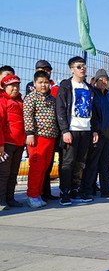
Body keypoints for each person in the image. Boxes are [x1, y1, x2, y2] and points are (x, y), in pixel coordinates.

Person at [56, 56, 98, 206]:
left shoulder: (89, 88)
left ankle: (75, 190)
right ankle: (64, 192)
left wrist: (94, 130)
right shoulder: (66, 86)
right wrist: (65, 130)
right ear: (71, 69)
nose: (83, 69)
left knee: (80, 162)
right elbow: (60, 109)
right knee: (68, 162)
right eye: (79, 66)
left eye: (84, 66)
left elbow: (92, 110)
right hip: (71, 130)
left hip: (86, 130)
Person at [23, 71, 59, 208]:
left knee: (44, 168)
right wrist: (30, 133)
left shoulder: (51, 99)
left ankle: (38, 193)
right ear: (34, 83)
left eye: (46, 82)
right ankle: (32, 195)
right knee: (36, 167)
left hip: (50, 137)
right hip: (37, 138)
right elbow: (28, 116)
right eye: (40, 82)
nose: (43, 85)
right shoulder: (31, 98)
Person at [81, 69, 109, 198]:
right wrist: (95, 130)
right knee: (92, 163)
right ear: (95, 81)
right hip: (98, 134)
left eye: (106, 80)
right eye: (101, 79)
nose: (104, 82)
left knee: (105, 163)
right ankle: (86, 189)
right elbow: (93, 115)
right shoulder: (92, 95)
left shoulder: (108, 96)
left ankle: (105, 189)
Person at [0, 75, 25, 210]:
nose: (15, 88)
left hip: (19, 144)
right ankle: (1, 200)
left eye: (17, 85)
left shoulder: (20, 102)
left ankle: (10, 198)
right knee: (3, 173)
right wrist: (1, 145)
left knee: (14, 172)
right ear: (4, 87)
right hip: (6, 144)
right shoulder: (2, 102)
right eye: (11, 86)